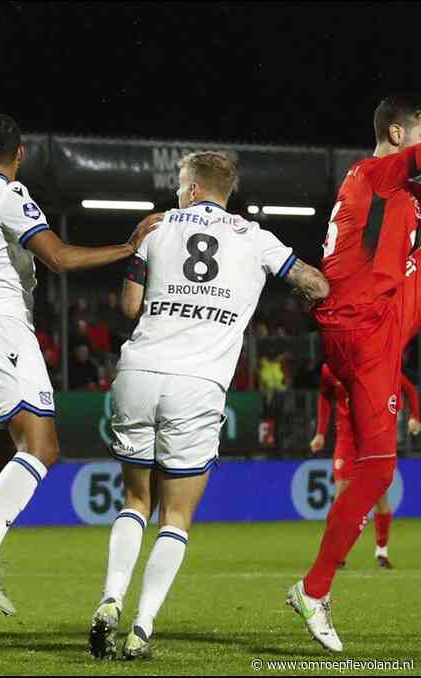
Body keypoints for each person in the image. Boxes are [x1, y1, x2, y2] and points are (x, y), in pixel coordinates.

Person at [0, 113, 162, 645]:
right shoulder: (10, 195)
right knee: (44, 447)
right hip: (1, 326)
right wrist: (128, 247)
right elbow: (57, 258)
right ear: (20, 153)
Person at [88, 151, 328, 660]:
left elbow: (129, 308)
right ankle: (141, 630)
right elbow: (313, 282)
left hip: (138, 372)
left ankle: (109, 602)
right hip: (197, 384)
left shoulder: (155, 228)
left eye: (180, 185)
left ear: (194, 188)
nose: (177, 194)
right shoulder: (257, 238)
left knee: (135, 502)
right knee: (176, 516)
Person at [293, 95, 421, 653]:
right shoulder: (380, 172)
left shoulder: (391, 191)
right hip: (365, 322)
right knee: (376, 471)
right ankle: (314, 588)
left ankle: (317, 585)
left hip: (368, 319)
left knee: (374, 471)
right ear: (397, 134)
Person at [310, 363, 419, 569]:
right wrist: (320, 433)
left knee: (379, 497)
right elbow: (325, 397)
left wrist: (415, 417)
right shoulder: (330, 368)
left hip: (373, 440)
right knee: (341, 497)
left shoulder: (377, 362)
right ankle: (336, 553)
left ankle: (381, 551)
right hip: (346, 439)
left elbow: (410, 390)